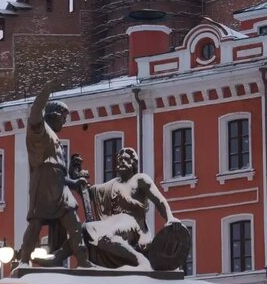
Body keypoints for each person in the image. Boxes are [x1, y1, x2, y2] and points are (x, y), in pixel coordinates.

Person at [18, 82, 90, 267]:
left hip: (59, 185)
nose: (64, 123)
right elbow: (35, 113)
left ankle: (82, 260)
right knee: (36, 222)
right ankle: (24, 260)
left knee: (73, 221)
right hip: (43, 184)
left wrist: (74, 183)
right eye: (63, 119)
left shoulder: (55, 138)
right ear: (54, 116)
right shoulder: (39, 131)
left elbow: (59, 170)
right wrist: (46, 91)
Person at [82, 147, 185, 269]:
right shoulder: (112, 184)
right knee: (86, 228)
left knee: (107, 235)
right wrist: (78, 178)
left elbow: (159, 201)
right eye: (119, 159)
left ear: (133, 163)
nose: (121, 162)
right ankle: (135, 258)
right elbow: (88, 192)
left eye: (125, 159)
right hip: (114, 222)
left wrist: (170, 218)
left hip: (133, 223)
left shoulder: (140, 179)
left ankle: (140, 261)